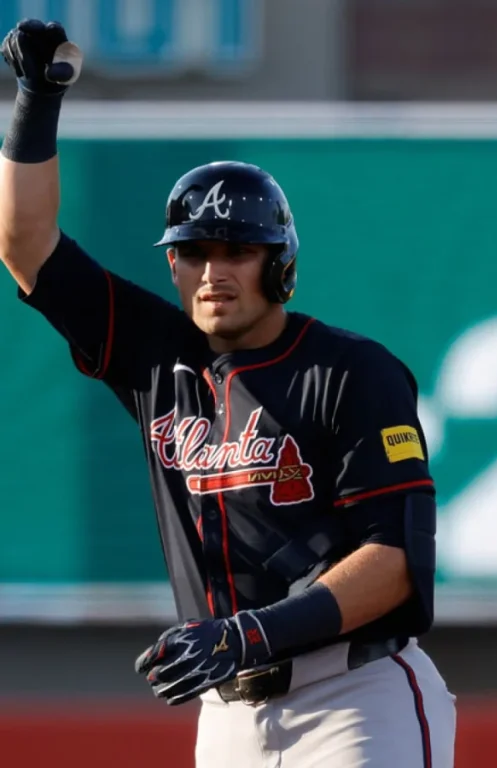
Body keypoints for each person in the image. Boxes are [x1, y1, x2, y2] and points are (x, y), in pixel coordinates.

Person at [0, 18, 456, 768]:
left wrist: (252, 633)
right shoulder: (154, 355)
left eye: (239, 251)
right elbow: (25, 243)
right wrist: (36, 102)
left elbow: (394, 562)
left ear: (280, 264)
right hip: (227, 712)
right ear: (173, 265)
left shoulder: (349, 370)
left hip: (354, 694)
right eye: (194, 252)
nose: (214, 272)